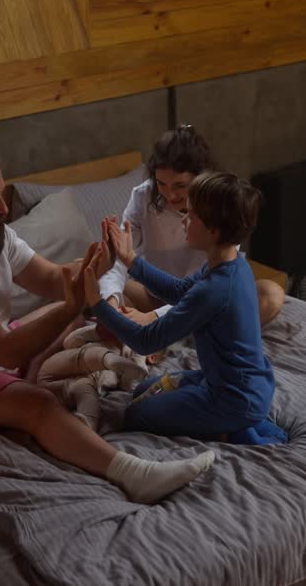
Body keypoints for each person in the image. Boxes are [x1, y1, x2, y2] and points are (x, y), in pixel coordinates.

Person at [0, 147, 214, 503]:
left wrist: (100, 260)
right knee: (38, 405)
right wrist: (69, 306)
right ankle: (134, 475)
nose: (4, 208)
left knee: (76, 313)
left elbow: (49, 279)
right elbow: (5, 350)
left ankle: (29, 381)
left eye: (2, 195)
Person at [85, 172, 288, 445]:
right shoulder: (230, 265)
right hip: (234, 383)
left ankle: (237, 430)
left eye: (191, 216)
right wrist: (131, 260)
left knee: (135, 415)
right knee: (144, 389)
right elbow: (181, 292)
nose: (183, 220)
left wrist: (97, 305)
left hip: (232, 399)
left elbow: (146, 341)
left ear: (213, 230)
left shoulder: (214, 290)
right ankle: (239, 419)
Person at [99, 125, 285, 327]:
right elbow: (118, 258)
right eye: (161, 184)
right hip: (158, 293)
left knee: (271, 294)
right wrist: (112, 301)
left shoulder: (222, 208)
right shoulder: (144, 196)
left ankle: (175, 330)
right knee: (91, 274)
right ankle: (177, 331)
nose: (170, 196)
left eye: (180, 186)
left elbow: (208, 290)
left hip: (206, 301)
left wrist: (153, 318)